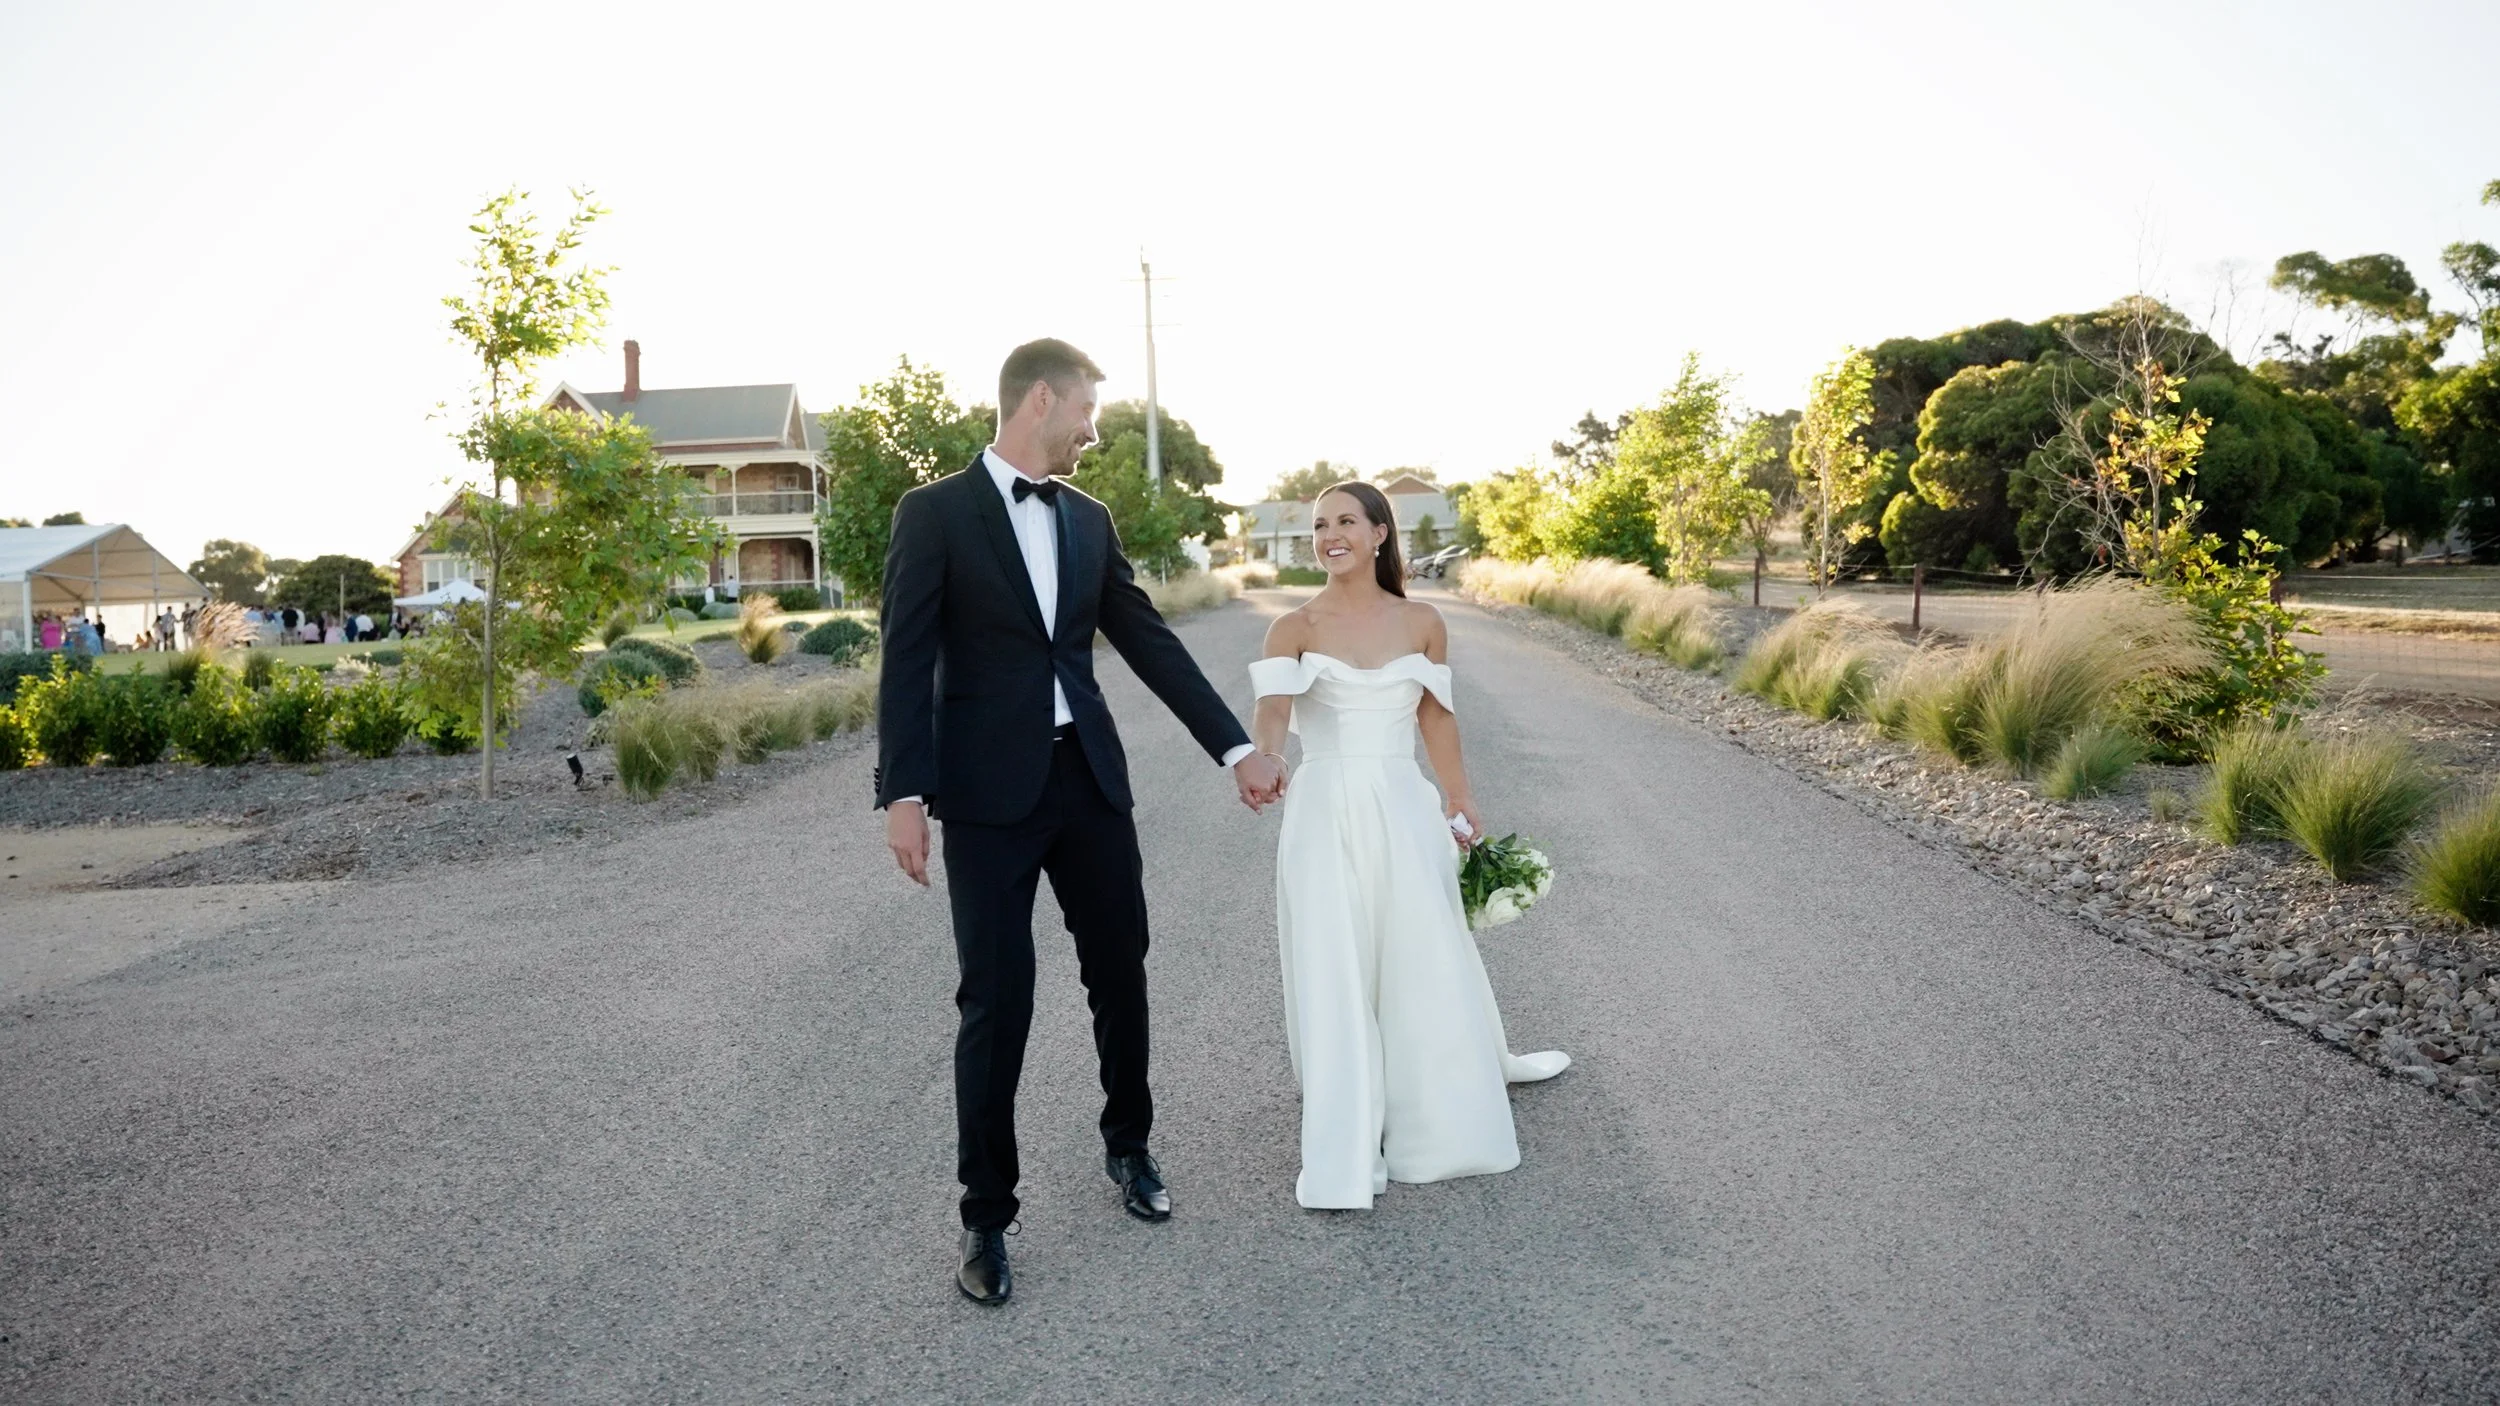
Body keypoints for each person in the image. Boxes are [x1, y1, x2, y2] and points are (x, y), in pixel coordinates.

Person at [875, 337, 1285, 1307]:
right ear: (1042, 399)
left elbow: (1148, 640)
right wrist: (901, 792)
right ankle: (985, 1215)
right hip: (984, 801)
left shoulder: (1089, 520)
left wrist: (1237, 748)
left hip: (1088, 782)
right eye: (1087, 413)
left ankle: (1129, 1145)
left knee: (1120, 968)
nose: (1093, 433)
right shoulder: (930, 513)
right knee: (997, 999)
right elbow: (905, 658)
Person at [1248, 481, 1568, 1212]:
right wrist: (1266, 761)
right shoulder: (1291, 626)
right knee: (1339, 959)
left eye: (1346, 522)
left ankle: (1434, 1110)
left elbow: (1436, 718)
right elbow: (1271, 714)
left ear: (1380, 533)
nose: (1330, 535)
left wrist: (1460, 795)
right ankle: (1350, 1119)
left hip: (1402, 803)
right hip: (1323, 808)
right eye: (1319, 525)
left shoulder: (1422, 621)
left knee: (1419, 950)